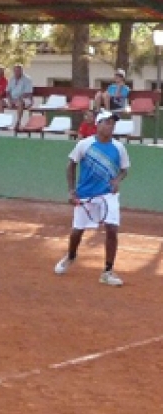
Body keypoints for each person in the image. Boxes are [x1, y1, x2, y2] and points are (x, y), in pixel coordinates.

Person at [54, 111, 130, 287]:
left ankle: (107, 271)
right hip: (85, 194)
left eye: (113, 123)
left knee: (112, 228)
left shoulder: (119, 147)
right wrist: (71, 191)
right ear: (98, 124)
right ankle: (71, 255)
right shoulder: (84, 144)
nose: (111, 126)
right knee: (77, 232)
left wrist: (117, 180)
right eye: (108, 122)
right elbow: (71, 165)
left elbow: (124, 169)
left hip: (108, 195)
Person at [4, 64, 34, 129]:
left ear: (21, 71)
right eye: (15, 71)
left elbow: (28, 93)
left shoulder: (27, 79)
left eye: (18, 71)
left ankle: (18, 122)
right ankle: (1, 123)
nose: (16, 72)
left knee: (20, 102)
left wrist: (18, 99)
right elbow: (7, 92)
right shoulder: (11, 79)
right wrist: (10, 100)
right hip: (13, 99)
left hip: (26, 99)